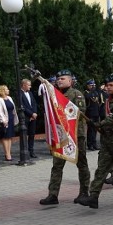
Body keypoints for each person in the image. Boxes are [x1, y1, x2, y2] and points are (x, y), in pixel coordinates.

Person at [77, 74, 113, 209]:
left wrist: (98, 124)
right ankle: (94, 197)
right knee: (101, 170)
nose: (108, 88)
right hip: (107, 142)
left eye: (111, 85)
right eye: (107, 85)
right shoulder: (108, 101)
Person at [40, 69, 90, 206]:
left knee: (82, 164)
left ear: (70, 80)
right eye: (58, 79)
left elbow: (79, 113)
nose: (59, 81)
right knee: (56, 166)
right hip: (61, 136)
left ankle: (84, 192)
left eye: (62, 79)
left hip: (75, 135)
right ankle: (53, 194)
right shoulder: (55, 95)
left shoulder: (76, 94)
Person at [0, 84, 18, 162]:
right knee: (5, 137)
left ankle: (9, 153)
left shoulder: (9, 98)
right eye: (7, 89)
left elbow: (13, 109)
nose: (8, 90)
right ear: (2, 91)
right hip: (5, 120)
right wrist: (3, 120)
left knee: (10, 136)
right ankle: (7, 154)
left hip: (11, 119)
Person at [20, 78, 39, 158]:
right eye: (29, 85)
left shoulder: (30, 93)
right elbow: (22, 106)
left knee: (32, 134)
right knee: (24, 135)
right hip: (25, 117)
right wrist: (31, 114)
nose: (30, 87)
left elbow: (34, 103)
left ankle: (31, 151)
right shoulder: (19, 93)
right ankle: (24, 152)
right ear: (24, 85)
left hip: (33, 117)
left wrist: (34, 113)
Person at [84, 79, 104, 151]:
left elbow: (100, 102)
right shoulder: (86, 93)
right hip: (89, 114)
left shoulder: (96, 92)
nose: (93, 87)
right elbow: (88, 98)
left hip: (96, 113)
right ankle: (90, 145)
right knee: (90, 130)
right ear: (88, 86)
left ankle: (94, 144)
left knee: (95, 130)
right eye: (91, 85)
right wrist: (92, 91)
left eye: (94, 85)